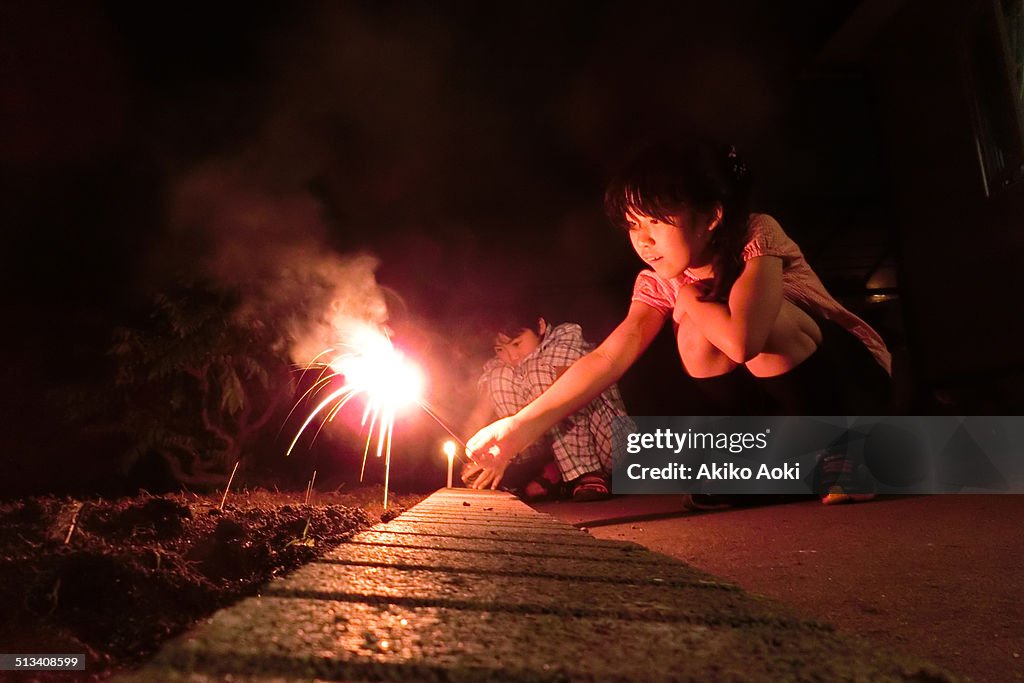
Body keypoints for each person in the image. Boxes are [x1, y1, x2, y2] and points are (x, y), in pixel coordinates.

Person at [466, 140, 891, 505]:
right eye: (634, 225)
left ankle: (848, 453)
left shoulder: (756, 237)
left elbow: (744, 341)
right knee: (694, 332)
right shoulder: (656, 282)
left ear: (712, 216)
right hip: (781, 416)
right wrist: (520, 427)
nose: (644, 240)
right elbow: (609, 357)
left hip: (852, 389)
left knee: (745, 318)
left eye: (657, 220)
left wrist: (689, 297)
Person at [461, 312, 630, 502]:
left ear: (540, 326)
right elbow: (481, 412)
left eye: (516, 344)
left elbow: (569, 394)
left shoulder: (564, 342)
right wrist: (481, 454)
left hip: (610, 445)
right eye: (500, 349)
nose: (512, 355)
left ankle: (586, 472)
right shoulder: (502, 366)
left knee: (538, 370)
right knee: (499, 377)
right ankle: (554, 470)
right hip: (556, 454)